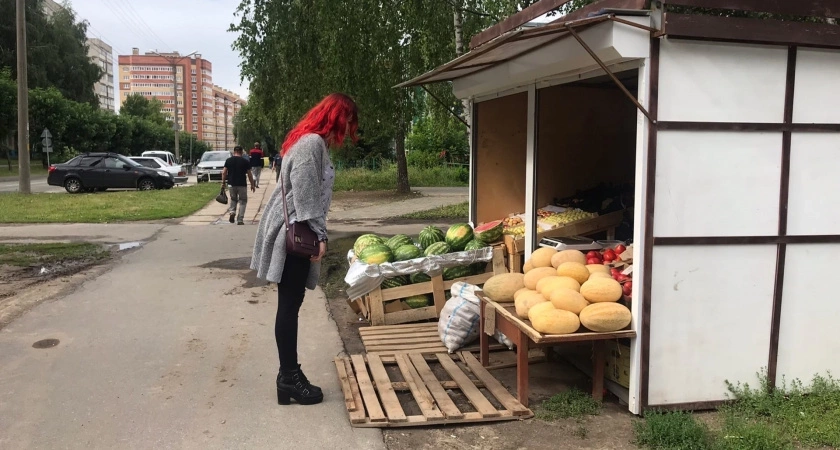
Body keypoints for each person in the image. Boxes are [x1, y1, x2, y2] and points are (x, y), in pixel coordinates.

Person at [251, 93, 358, 406]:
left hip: (293, 230)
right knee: (288, 305)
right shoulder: (312, 143)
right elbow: (306, 194)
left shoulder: (310, 141)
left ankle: (289, 376)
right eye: (349, 121)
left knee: (290, 303)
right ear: (339, 117)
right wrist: (320, 235)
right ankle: (288, 377)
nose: (349, 128)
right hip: (295, 235)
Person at [221, 146, 256, 225]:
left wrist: (223, 183)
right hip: (242, 184)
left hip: (231, 184)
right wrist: (252, 185)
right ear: (241, 152)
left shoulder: (228, 160)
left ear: (234, 152)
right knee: (243, 201)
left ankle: (232, 212)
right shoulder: (245, 161)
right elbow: (250, 174)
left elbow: (224, 172)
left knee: (233, 199)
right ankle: (240, 219)